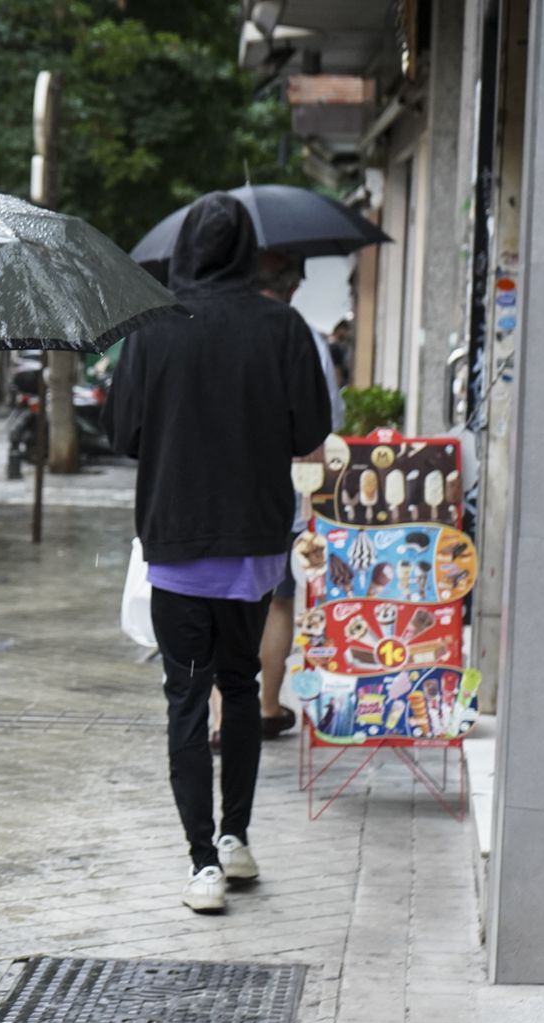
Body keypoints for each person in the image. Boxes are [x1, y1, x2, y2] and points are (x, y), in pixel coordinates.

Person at [104, 192, 333, 914]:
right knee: (239, 687)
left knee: (184, 695)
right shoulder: (283, 327)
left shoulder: (151, 329)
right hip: (254, 547)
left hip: (176, 541)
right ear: (247, 252)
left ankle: (201, 863)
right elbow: (311, 432)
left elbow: (122, 433)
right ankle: (235, 838)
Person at [253, 253, 344, 742]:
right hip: (288, 494)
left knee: (227, 603)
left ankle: (222, 717)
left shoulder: (217, 327)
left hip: (226, 492)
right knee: (277, 602)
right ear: (290, 287)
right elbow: (330, 418)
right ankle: (268, 706)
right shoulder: (306, 337)